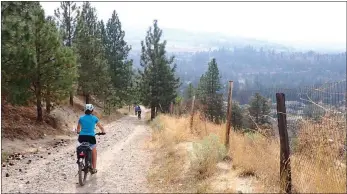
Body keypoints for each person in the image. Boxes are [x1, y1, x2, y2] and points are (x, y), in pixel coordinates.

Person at [76, 104, 105, 174]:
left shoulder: (81, 118)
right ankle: (94, 168)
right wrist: (103, 131)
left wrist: (78, 132)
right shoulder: (94, 118)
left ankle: (80, 159)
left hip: (82, 137)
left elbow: (78, 129)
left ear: (85, 110)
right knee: (94, 152)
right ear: (92, 110)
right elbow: (101, 127)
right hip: (91, 137)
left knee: (80, 147)